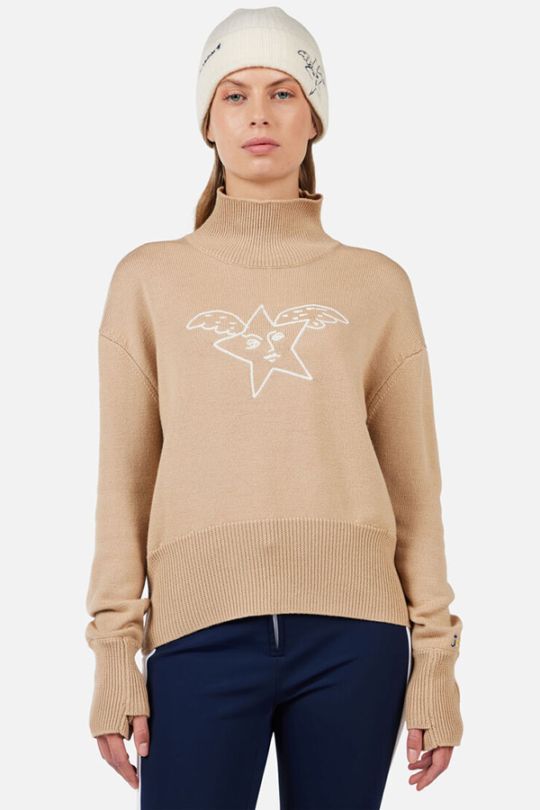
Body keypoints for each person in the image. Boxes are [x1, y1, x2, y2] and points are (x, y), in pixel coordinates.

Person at [84, 7, 464, 808]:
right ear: (207, 122)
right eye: (235, 94)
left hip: (357, 641)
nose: (259, 113)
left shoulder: (377, 285)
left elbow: (416, 490)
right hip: (197, 635)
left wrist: (436, 661)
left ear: (314, 116)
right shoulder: (149, 280)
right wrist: (114, 652)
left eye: (284, 92)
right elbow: (123, 482)